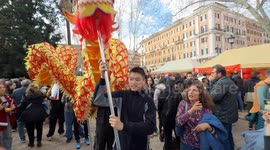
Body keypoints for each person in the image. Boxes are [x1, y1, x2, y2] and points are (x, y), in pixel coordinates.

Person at [93, 62, 156, 150]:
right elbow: (98, 100)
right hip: (121, 144)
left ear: (144, 81)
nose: (134, 82)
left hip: (140, 145)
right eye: (131, 79)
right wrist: (102, 78)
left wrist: (124, 126)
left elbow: (150, 127)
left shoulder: (148, 101)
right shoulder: (121, 95)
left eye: (137, 79)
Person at [176, 82, 216, 149]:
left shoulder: (206, 107)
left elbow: (213, 128)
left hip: (203, 144)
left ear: (200, 95)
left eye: (194, 90)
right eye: (189, 90)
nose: (190, 92)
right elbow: (178, 121)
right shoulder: (183, 104)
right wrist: (191, 110)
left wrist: (207, 126)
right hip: (187, 144)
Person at [209, 64, 239, 150]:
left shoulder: (222, 82)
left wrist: (211, 83)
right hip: (227, 114)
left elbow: (213, 97)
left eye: (213, 72)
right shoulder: (228, 81)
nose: (211, 74)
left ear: (220, 74)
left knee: (223, 138)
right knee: (228, 136)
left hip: (223, 115)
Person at [0, 82, 17, 150]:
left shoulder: (8, 96)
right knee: (0, 137)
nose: (2, 89)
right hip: (0, 119)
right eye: (0, 88)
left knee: (8, 136)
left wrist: (13, 107)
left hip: (7, 118)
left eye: (3, 87)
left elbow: (14, 104)